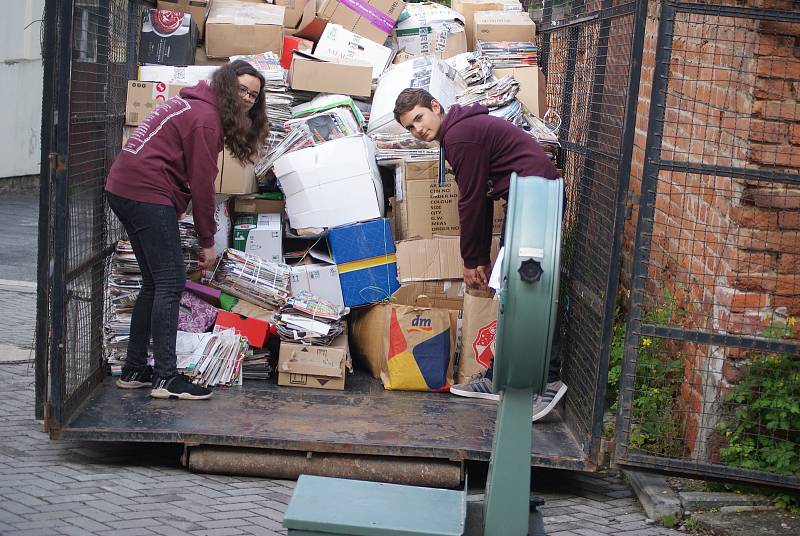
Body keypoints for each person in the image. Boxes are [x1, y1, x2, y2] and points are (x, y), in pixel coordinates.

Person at [394, 88, 568, 421]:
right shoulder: (458, 132)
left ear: (435, 107)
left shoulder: (460, 136)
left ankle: (549, 378)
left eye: (419, 118)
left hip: (535, 199)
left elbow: (471, 201)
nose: (417, 130)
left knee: (533, 292)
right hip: (528, 197)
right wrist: (478, 259)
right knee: (512, 292)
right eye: (409, 127)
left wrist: (471, 260)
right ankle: (497, 377)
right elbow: (482, 198)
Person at [105, 60, 267, 400]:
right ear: (225, 85)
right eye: (241, 89)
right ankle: (166, 378)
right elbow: (203, 187)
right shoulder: (206, 120)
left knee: (154, 282)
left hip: (125, 187)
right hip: (145, 191)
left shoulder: (193, 104)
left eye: (253, 94)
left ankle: (134, 368)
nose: (248, 98)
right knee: (170, 282)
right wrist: (208, 241)